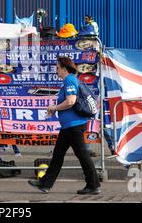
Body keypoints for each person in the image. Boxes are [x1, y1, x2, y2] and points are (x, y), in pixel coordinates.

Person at [28, 56, 101, 195]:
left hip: (74, 126)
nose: (56, 71)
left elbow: (71, 101)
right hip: (69, 126)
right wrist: (54, 109)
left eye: (57, 68)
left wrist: (55, 108)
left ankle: (93, 185)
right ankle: (45, 183)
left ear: (63, 67)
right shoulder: (69, 80)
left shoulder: (69, 79)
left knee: (83, 155)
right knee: (58, 155)